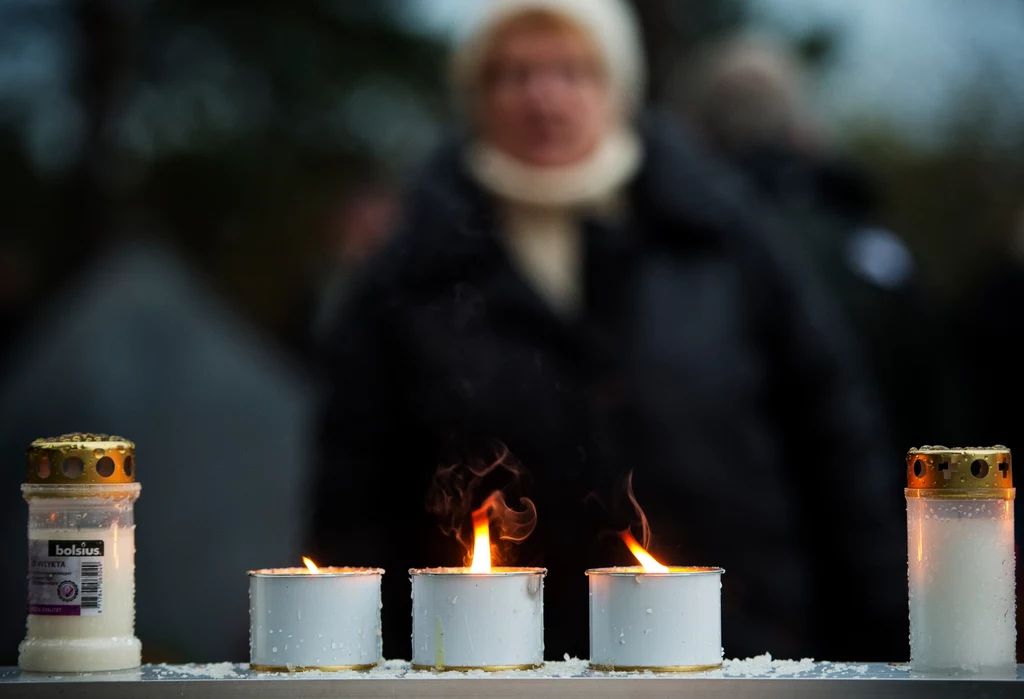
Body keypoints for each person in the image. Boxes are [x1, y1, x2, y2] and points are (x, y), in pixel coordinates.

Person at [309, 0, 904, 661]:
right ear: (475, 94)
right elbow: (351, 496)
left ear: (618, 85)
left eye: (572, 70)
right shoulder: (412, 269)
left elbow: (834, 437)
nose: (543, 97)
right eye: (512, 73)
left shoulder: (724, 236)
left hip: (737, 650)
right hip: (496, 665)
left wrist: (875, 634)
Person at [678, 36, 964, 463]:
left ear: (696, 130)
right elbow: (942, 406)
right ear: (803, 130)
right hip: (893, 508)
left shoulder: (678, 248)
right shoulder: (875, 249)